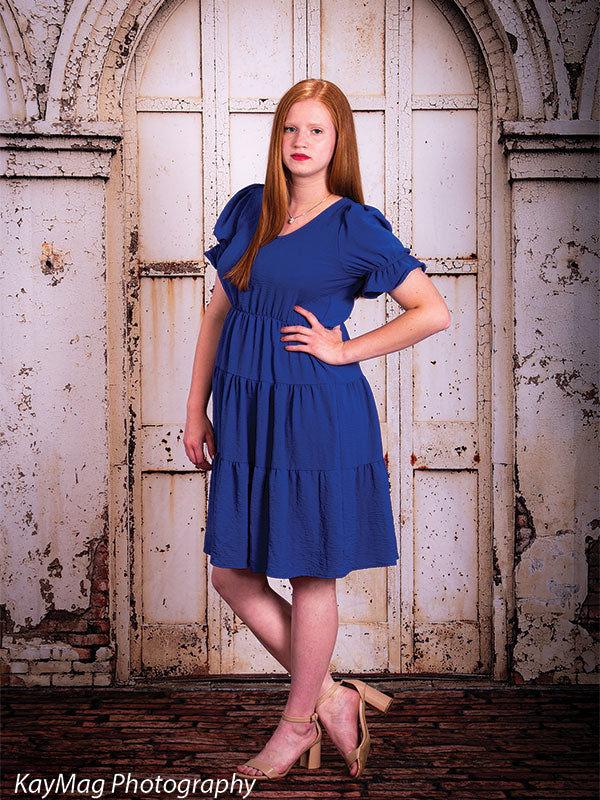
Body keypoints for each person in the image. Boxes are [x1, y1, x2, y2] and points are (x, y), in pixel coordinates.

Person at [183, 78, 451, 781]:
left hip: (315, 412)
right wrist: (194, 409)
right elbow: (217, 315)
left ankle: (296, 722)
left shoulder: (353, 225)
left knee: (310, 573)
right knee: (231, 574)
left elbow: (432, 310)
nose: (301, 143)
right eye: (291, 130)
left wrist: (344, 348)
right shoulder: (250, 209)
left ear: (338, 144)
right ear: (279, 139)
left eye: (317, 132)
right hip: (245, 411)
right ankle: (332, 698)